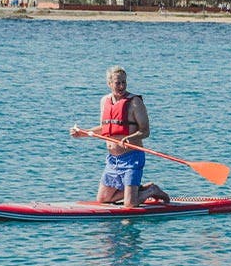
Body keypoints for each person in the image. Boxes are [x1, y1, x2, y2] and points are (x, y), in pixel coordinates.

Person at [70, 66, 170, 206]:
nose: (121, 86)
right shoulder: (104, 101)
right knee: (103, 199)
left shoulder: (135, 102)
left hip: (132, 158)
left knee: (130, 204)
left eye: (124, 82)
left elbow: (145, 131)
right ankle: (142, 189)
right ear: (109, 83)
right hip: (112, 160)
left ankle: (151, 190)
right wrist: (83, 132)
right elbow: (105, 128)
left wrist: (130, 138)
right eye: (118, 83)